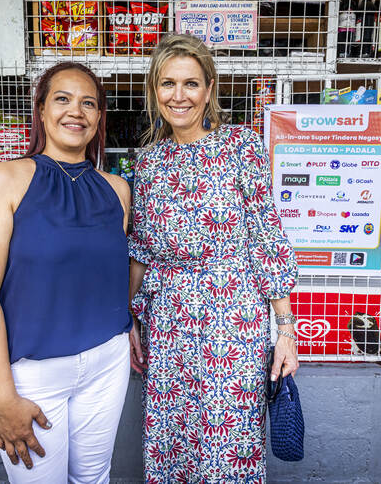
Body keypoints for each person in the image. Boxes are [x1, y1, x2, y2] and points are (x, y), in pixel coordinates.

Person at [127, 33, 300, 482]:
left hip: (232, 320)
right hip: (168, 321)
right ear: (154, 91)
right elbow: (142, 248)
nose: (178, 96)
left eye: (190, 83)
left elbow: (266, 234)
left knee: (231, 438)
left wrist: (285, 332)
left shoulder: (242, 146)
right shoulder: (146, 163)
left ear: (209, 89)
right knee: (173, 438)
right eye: (167, 84)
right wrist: (129, 317)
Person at [0, 62, 132, 482]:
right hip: (32, 374)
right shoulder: (4, 180)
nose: (76, 111)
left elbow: (106, 273)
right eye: (63, 99)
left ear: (98, 118)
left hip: (108, 362)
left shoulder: (117, 189)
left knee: (94, 478)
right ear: (40, 110)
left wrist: (126, 325)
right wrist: (2, 399)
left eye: (88, 103)